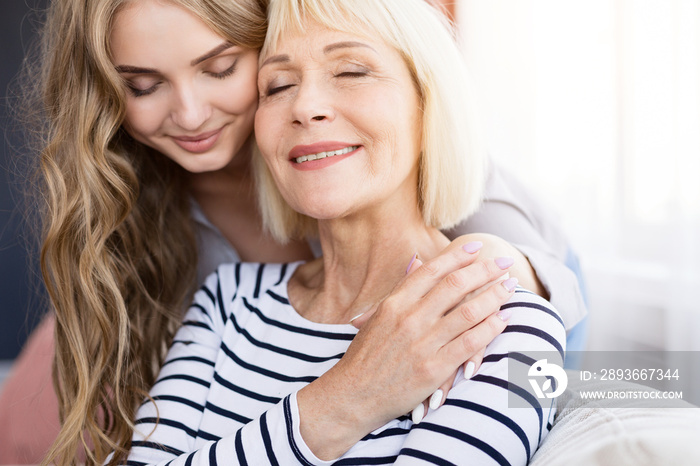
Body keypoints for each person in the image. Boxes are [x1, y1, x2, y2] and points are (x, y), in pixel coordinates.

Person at [0, 0, 584, 464]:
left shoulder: (502, 298)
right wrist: (347, 396)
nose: (190, 113)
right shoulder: (219, 287)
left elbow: (535, 300)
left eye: (220, 68)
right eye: (144, 86)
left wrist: (494, 277)